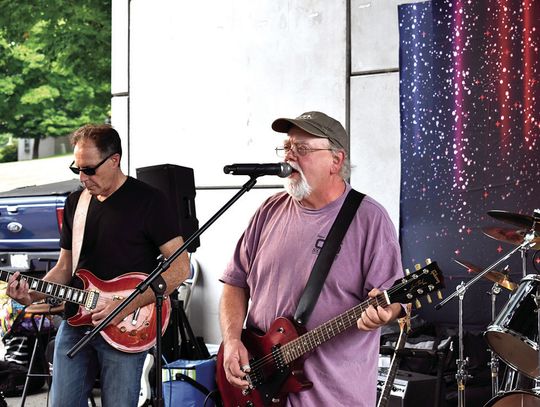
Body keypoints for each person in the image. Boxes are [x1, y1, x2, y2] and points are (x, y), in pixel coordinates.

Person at [219, 111, 405, 406]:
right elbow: (234, 282)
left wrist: (387, 311)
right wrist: (231, 341)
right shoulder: (269, 210)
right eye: (287, 147)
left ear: (336, 160)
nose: (290, 156)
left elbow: (395, 298)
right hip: (261, 390)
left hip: (334, 398)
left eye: (302, 149)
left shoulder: (369, 219)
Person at [5, 124, 190, 407]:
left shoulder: (150, 201)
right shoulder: (75, 203)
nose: (82, 177)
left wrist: (125, 305)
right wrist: (30, 296)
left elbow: (179, 268)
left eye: (89, 169)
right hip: (76, 321)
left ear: (114, 160)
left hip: (126, 325)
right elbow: (65, 267)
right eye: (77, 169)